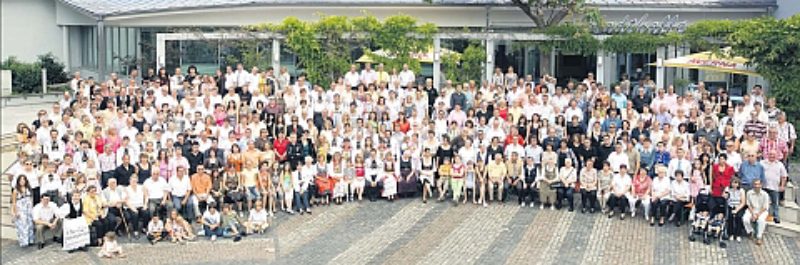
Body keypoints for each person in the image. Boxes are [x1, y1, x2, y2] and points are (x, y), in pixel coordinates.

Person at [761, 151, 787, 224]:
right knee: (763, 202)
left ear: (776, 155)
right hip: (763, 186)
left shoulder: (780, 164)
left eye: (773, 154)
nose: (772, 156)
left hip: (774, 187)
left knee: (775, 203)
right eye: (770, 154)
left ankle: (776, 217)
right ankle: (763, 215)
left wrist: (782, 185)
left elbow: (784, 176)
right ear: (767, 155)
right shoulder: (762, 163)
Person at [743, 179, 770, 245]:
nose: (757, 186)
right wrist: (753, 214)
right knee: (745, 219)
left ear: (761, 185)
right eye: (755, 184)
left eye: (758, 184)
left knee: (761, 220)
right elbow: (748, 204)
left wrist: (757, 215)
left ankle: (759, 237)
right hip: (752, 210)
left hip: (762, 211)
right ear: (753, 185)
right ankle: (750, 231)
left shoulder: (765, 194)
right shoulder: (749, 193)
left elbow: (765, 207)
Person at [11, 174, 35, 247]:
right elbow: (14, 202)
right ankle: (24, 241)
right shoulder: (15, 190)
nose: (22, 181)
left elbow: (31, 198)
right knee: (23, 225)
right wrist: (15, 211)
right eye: (21, 180)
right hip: (21, 208)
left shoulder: (28, 188)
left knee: (30, 224)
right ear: (18, 181)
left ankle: (30, 240)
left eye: (23, 180)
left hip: (29, 208)